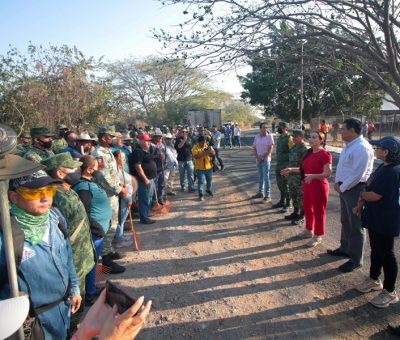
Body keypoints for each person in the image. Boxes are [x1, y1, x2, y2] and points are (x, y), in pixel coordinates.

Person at [0, 171, 81, 339]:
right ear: (14, 197)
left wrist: (74, 288)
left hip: (62, 313)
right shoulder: (6, 238)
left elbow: (67, 257)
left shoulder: (56, 218)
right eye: (35, 192)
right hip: (34, 324)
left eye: (50, 190)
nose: (45, 198)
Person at [41, 152, 97, 331]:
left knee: (77, 303)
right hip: (71, 262)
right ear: (59, 173)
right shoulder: (56, 197)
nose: (77, 170)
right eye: (72, 167)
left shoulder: (66, 190)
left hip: (80, 259)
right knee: (72, 307)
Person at [353, 136, 400, 308]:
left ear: (387, 151)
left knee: (387, 254)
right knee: (376, 250)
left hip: (386, 220)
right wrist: (362, 200)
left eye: (378, 148)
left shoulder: (393, 171)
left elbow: (375, 195)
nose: (376, 150)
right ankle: (374, 279)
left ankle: (389, 291)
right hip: (375, 217)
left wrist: (362, 196)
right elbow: (370, 188)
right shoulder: (384, 166)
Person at [328, 118, 374, 272]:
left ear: (352, 131)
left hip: (355, 189)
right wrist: (338, 183)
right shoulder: (349, 146)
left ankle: (355, 260)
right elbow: (344, 169)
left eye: (343, 129)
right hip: (344, 188)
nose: (340, 131)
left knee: (356, 225)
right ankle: (345, 248)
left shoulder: (362, 148)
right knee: (345, 221)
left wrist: (342, 186)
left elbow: (358, 174)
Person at [72, 155, 113, 305]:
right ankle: (88, 294)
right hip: (94, 234)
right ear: (89, 169)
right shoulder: (83, 187)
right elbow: (85, 215)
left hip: (98, 232)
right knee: (90, 264)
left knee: (94, 263)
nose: (99, 170)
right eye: (96, 167)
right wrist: (98, 230)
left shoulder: (90, 183)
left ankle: (90, 288)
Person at [282, 132, 332, 247]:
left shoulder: (324, 154)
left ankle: (318, 235)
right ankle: (309, 230)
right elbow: (303, 169)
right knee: (308, 209)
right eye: (310, 137)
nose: (311, 139)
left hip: (319, 186)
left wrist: (313, 176)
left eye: (314, 137)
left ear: (321, 140)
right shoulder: (309, 153)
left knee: (319, 211)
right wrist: (290, 169)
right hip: (308, 185)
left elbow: (328, 173)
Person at [92, 125, 128, 273]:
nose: (113, 138)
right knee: (108, 225)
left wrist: (119, 183)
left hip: (112, 194)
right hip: (105, 195)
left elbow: (112, 173)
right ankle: (106, 260)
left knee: (114, 223)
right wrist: (120, 189)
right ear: (103, 137)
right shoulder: (99, 154)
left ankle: (109, 250)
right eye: (110, 136)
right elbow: (104, 177)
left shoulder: (108, 152)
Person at [129, 133, 157, 224]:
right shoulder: (138, 152)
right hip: (144, 180)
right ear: (141, 142)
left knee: (148, 197)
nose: (149, 143)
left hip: (150, 179)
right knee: (144, 198)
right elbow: (138, 167)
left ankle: (145, 215)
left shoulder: (145, 151)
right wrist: (145, 179)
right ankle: (144, 218)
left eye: (149, 141)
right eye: (146, 141)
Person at [281, 130, 308, 225]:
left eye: (296, 136)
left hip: (299, 177)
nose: (294, 138)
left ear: (301, 137)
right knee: (293, 195)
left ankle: (302, 215)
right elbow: (290, 162)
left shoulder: (304, 149)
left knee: (301, 197)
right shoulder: (293, 148)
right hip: (291, 177)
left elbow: (305, 166)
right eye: (293, 136)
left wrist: (302, 179)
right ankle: (295, 212)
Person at [113, 150, 134, 248]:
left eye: (124, 158)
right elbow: (120, 187)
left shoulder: (121, 169)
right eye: (121, 158)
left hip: (127, 198)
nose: (124, 160)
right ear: (115, 159)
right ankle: (119, 240)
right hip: (123, 199)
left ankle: (121, 236)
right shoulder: (116, 171)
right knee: (120, 220)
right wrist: (128, 198)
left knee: (123, 219)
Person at [251, 122, 274, 202]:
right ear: (260, 128)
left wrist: (264, 157)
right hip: (258, 160)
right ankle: (260, 192)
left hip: (266, 160)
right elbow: (254, 147)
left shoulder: (269, 136)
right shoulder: (257, 136)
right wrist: (257, 157)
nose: (265, 129)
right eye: (263, 127)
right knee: (260, 177)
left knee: (266, 177)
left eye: (266, 127)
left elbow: (270, 148)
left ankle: (268, 195)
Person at [273, 122, 293, 212]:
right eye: (279, 127)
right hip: (279, 163)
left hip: (286, 164)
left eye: (281, 127)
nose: (279, 129)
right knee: (280, 184)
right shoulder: (280, 138)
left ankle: (288, 204)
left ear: (286, 128)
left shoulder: (289, 138)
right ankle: (282, 201)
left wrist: (289, 165)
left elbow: (292, 152)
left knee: (286, 185)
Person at [192, 135, 216, 201]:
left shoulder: (208, 146)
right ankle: (201, 194)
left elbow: (213, 154)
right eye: (203, 142)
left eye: (205, 142)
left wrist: (211, 151)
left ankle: (208, 190)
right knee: (201, 182)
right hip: (200, 168)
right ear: (199, 142)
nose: (204, 143)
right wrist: (206, 152)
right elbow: (196, 156)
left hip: (209, 167)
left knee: (209, 180)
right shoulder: (195, 148)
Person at [175, 128, 195, 192]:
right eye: (183, 131)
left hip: (189, 160)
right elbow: (179, 147)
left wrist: (193, 157)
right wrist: (184, 140)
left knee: (191, 174)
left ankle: (191, 187)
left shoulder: (189, 139)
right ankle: (183, 187)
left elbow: (192, 149)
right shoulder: (178, 140)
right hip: (181, 160)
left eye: (186, 131)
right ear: (180, 132)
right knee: (182, 175)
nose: (184, 133)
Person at [150, 128, 166, 205]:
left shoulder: (162, 145)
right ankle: (153, 201)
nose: (159, 138)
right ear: (154, 137)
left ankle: (160, 198)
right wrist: (156, 156)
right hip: (154, 168)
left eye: (160, 136)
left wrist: (165, 160)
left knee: (161, 184)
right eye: (157, 136)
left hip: (162, 167)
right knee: (154, 186)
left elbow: (164, 154)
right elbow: (148, 156)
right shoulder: (150, 145)